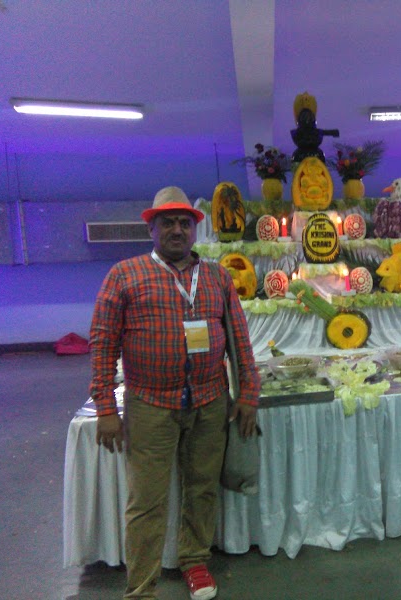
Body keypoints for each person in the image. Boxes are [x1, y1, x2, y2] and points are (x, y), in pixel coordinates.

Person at [90, 186, 261, 600]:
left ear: (194, 230)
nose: (177, 230)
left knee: (202, 488)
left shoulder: (218, 276)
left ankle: (194, 561)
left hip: (210, 400)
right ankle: (141, 587)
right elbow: (102, 342)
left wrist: (248, 393)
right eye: (167, 223)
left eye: (185, 223)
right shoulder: (124, 275)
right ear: (151, 229)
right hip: (150, 404)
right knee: (147, 500)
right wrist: (106, 407)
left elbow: (239, 339)